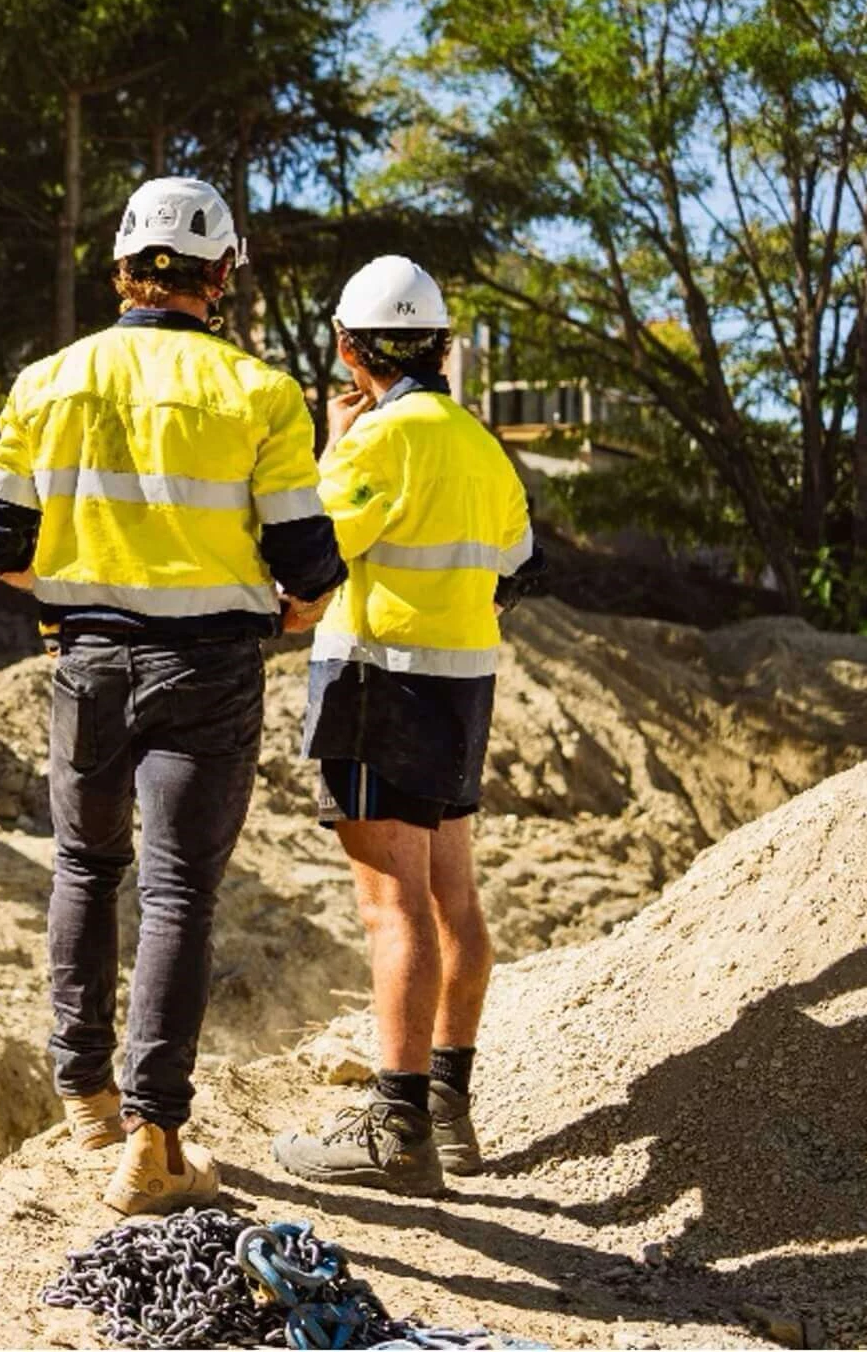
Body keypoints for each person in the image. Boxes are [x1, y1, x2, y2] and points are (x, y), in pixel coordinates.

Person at [0, 176, 347, 1216]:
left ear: (124, 269)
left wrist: (82, 588)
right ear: (219, 276)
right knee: (177, 894)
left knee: (85, 870)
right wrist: (295, 607)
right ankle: (155, 1141)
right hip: (208, 673)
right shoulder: (259, 394)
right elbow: (307, 560)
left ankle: (85, 1097)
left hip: (87, 662)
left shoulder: (47, 381)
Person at [272, 256, 542, 1195]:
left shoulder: (374, 442)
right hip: (462, 686)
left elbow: (305, 553)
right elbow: (518, 568)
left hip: (377, 681)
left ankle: (395, 1130)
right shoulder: (478, 444)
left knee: (393, 908)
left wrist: (328, 447)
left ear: (349, 350)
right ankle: (447, 1110)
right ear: (440, 348)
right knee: (451, 899)